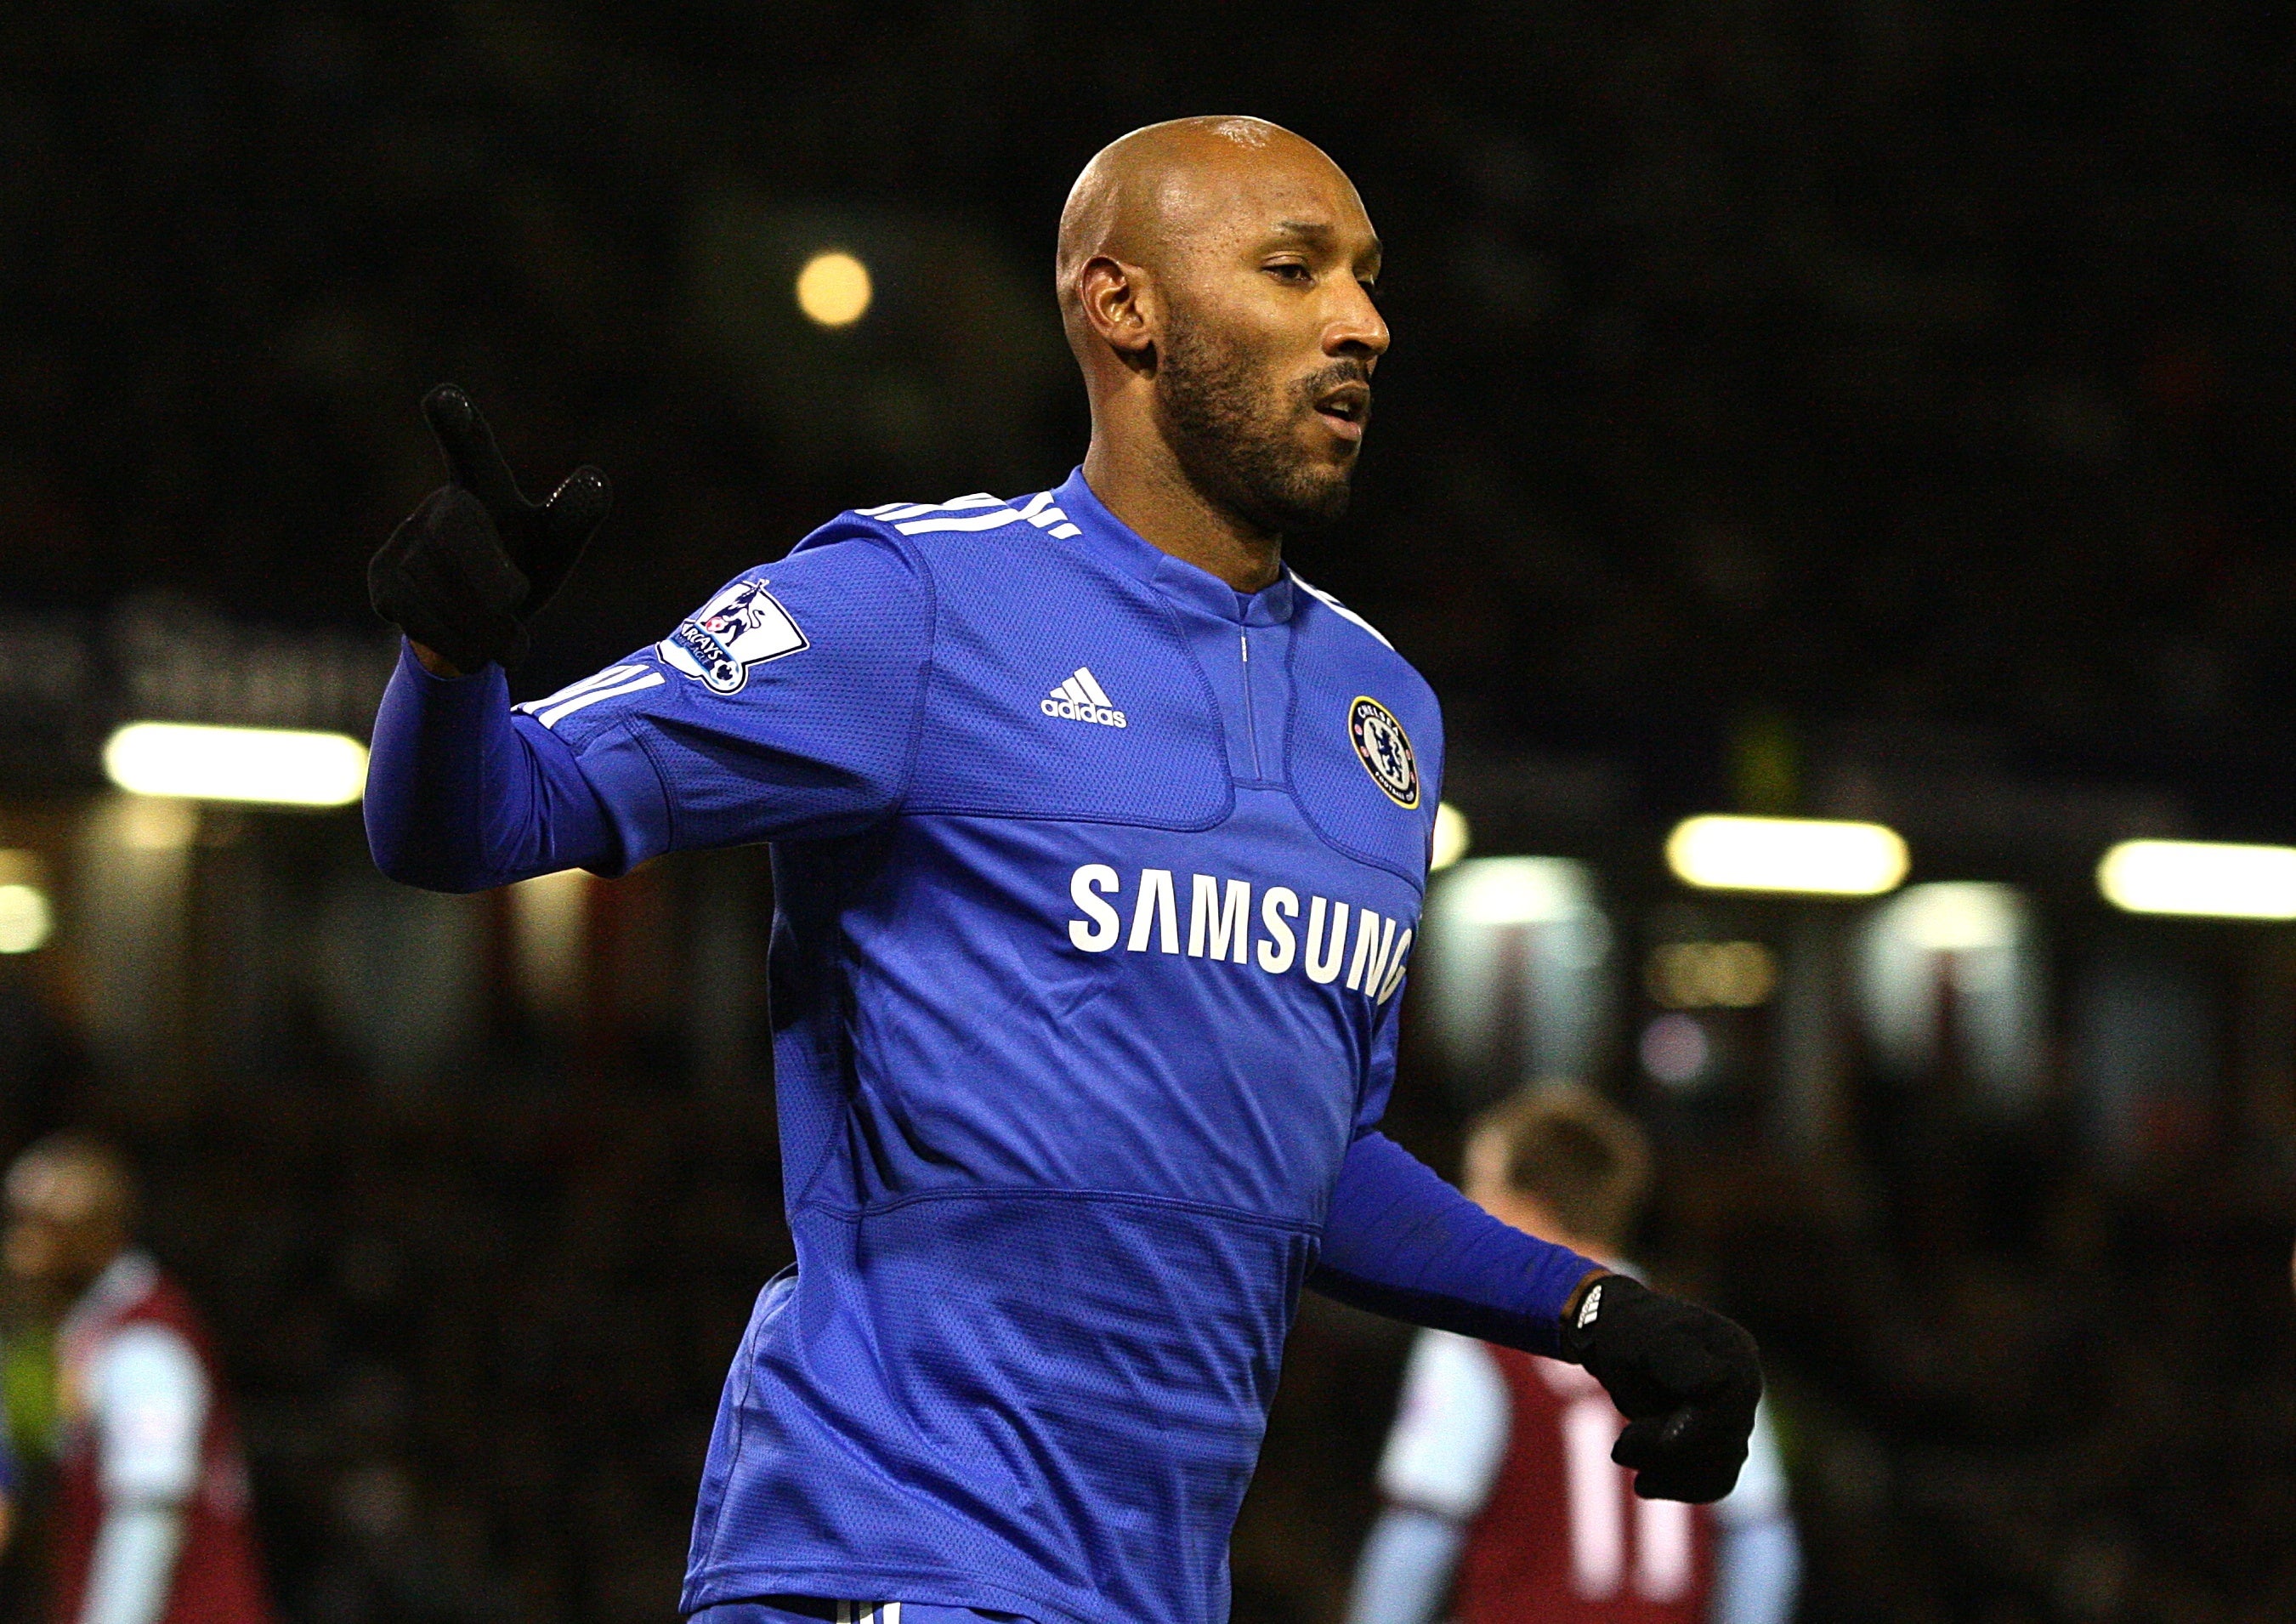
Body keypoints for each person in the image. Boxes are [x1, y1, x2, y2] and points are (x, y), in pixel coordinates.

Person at [361, 116, 1765, 1624]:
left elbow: (1306, 1165)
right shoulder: (912, 607)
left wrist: (1588, 1306)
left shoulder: (1386, 718)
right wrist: (449, 662)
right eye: (1295, 271)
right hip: (887, 1559)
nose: (1363, 322)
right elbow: (476, 822)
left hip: (1149, 1590)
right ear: (1123, 309)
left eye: (1364, 278)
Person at [1348, 1086, 1799, 1624]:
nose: (1464, 1208)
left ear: (1524, 1205)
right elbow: (1762, 1542)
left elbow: (1420, 1535)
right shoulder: (1699, 1341)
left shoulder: (1476, 1341)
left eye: (1478, 1187)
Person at [2, 1134, 274, 1624]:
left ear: (95, 1235)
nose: (20, 1249)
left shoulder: (144, 1343)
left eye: (45, 1229)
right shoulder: (90, 1331)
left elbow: (148, 1513)